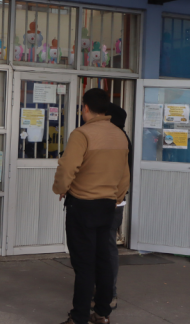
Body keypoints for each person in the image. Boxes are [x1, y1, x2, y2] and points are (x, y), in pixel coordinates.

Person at [53, 88, 130, 324]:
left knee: (84, 264)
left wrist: (60, 188)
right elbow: (124, 174)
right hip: (108, 205)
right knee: (103, 259)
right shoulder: (119, 135)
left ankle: (79, 317)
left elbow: (68, 168)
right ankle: (103, 313)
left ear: (85, 107)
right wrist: (116, 196)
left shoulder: (82, 134)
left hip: (82, 206)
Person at [105, 102, 133, 310]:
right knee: (104, 246)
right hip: (113, 200)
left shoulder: (117, 140)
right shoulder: (122, 138)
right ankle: (103, 289)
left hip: (111, 201)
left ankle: (109, 292)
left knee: (106, 247)